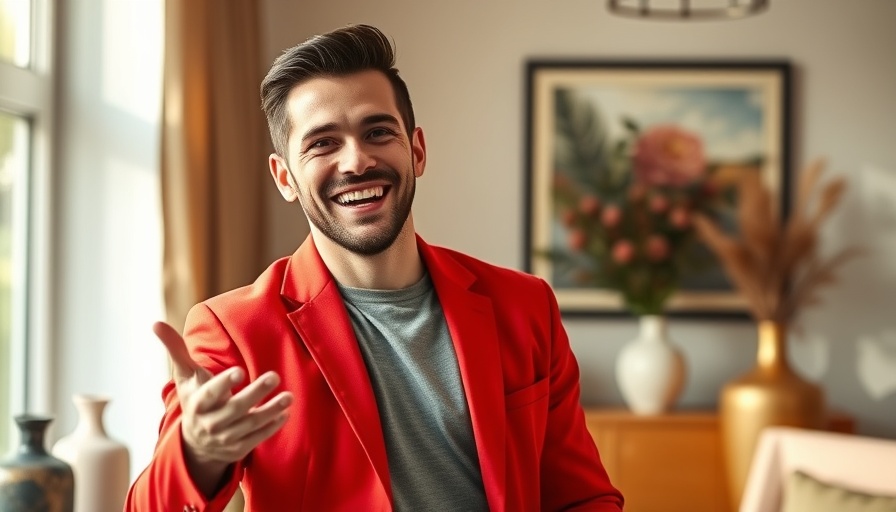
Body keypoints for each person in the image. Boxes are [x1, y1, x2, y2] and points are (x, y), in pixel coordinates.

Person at [125, 24, 623, 511]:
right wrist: (198, 453)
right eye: (322, 143)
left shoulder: (524, 305)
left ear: (417, 150)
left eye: (378, 131)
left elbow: (581, 496)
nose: (356, 161)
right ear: (285, 178)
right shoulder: (233, 330)